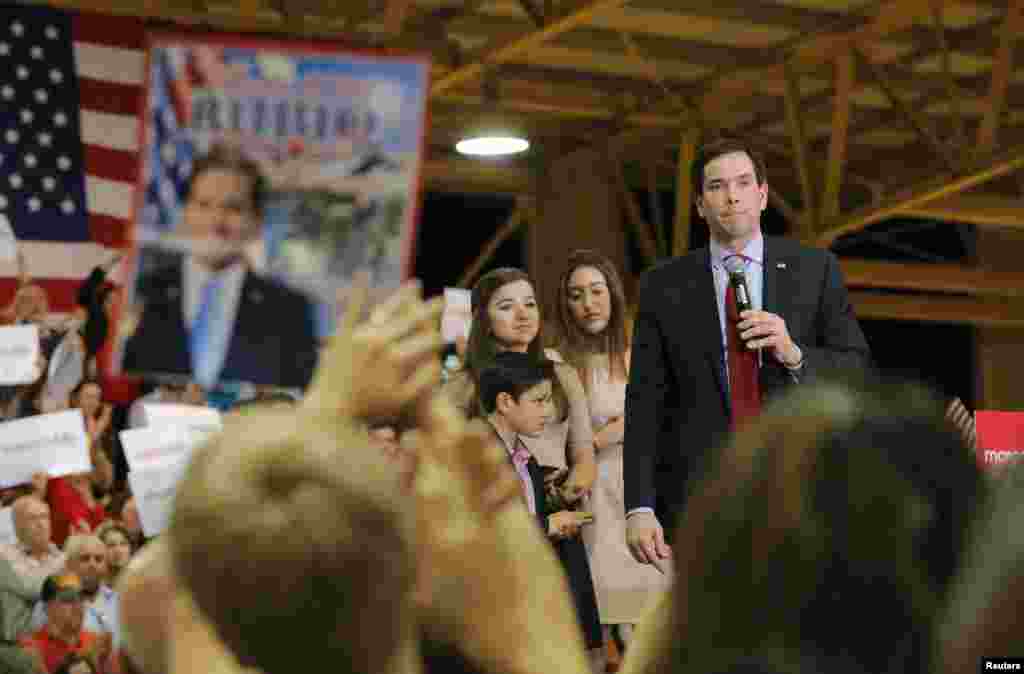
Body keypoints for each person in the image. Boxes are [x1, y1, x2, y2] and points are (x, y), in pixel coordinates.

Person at [623, 136, 871, 571]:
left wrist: (794, 353)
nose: (731, 195)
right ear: (700, 204)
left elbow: (856, 368)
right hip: (702, 497)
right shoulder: (663, 286)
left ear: (762, 195)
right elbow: (645, 402)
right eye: (716, 186)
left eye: (742, 183)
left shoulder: (816, 269)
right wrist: (639, 506)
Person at [121, 143, 319, 390]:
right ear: (185, 213)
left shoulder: (290, 312)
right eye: (204, 205)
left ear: (257, 221)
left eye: (233, 208)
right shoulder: (140, 293)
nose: (216, 222)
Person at [553, 249, 669, 658]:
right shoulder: (560, 363)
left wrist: (599, 438)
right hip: (591, 502)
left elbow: (658, 419)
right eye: (577, 295)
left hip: (640, 495)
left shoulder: (642, 351)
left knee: (649, 626)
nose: (588, 304)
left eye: (597, 291)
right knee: (597, 623)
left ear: (613, 294)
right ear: (565, 304)